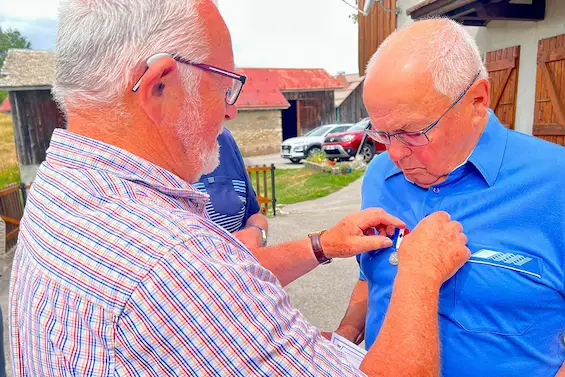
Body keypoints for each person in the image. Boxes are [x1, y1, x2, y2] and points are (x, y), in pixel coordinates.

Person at [8, 2, 470, 376]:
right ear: (159, 86)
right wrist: (420, 273)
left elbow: (209, 283)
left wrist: (320, 245)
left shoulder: (65, 188)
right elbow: (191, 279)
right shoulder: (171, 260)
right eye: (226, 86)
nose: (231, 111)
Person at [335, 18, 565, 377]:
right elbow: (372, 277)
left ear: (477, 100)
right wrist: (347, 334)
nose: (393, 153)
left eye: (411, 132)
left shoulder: (556, 181)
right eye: (381, 133)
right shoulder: (380, 176)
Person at [194, 128, 269, 249]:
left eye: (230, 107)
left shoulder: (223, 138)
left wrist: (257, 231)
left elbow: (254, 214)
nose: (232, 114)